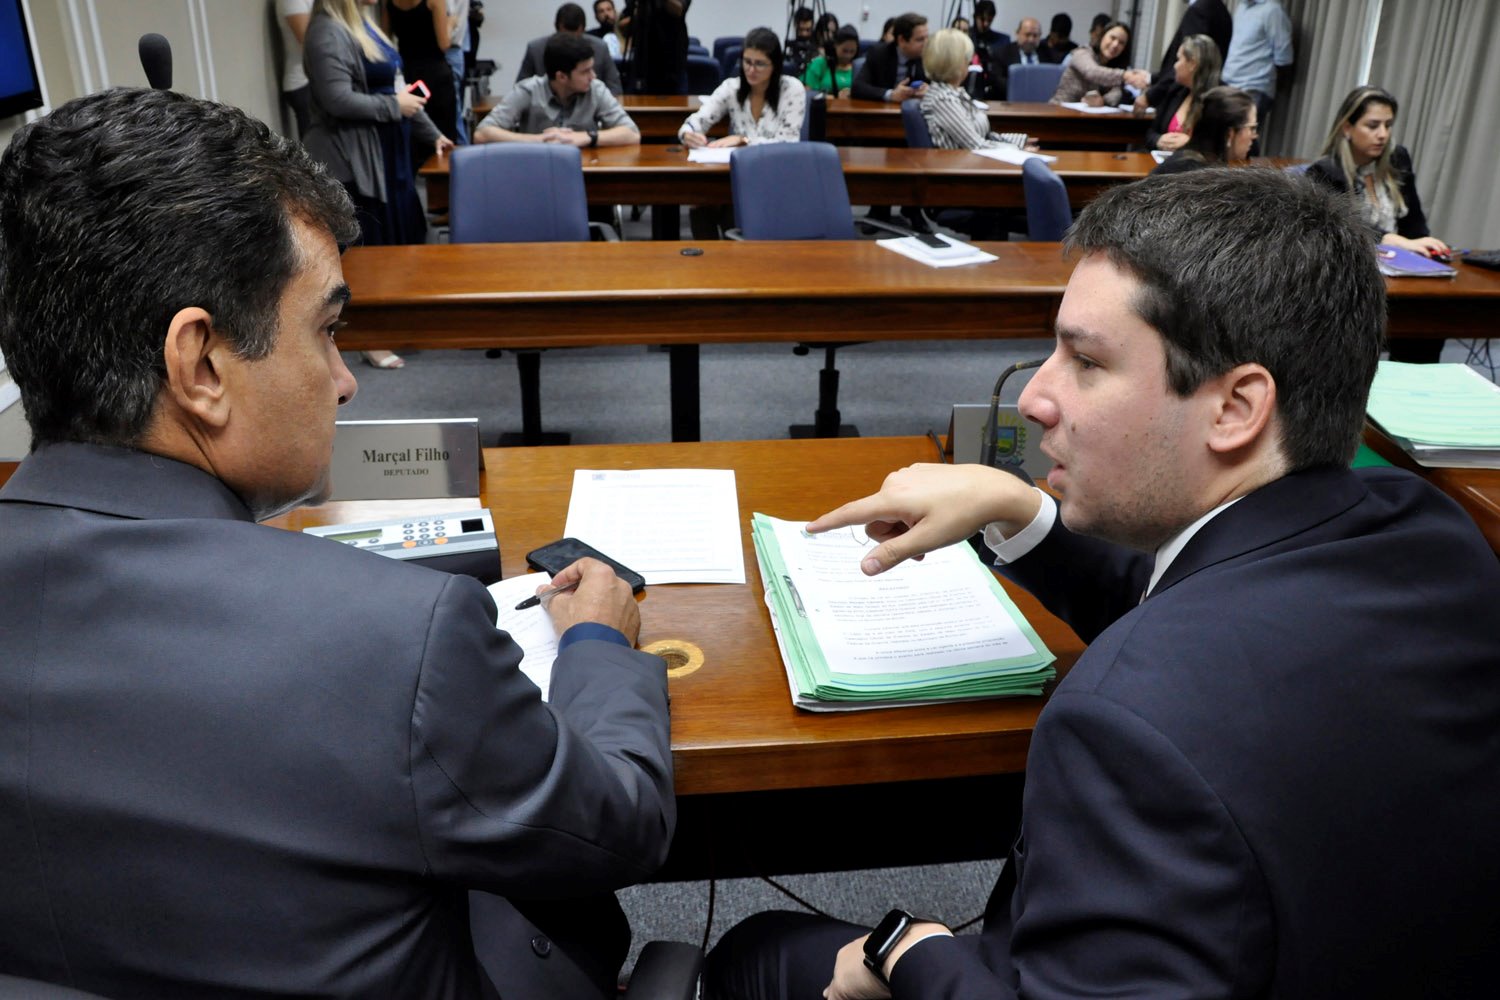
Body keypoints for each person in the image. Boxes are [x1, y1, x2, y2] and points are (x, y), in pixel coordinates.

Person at [703, 166, 1500, 1000]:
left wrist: (909, 950)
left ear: (1236, 408)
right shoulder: (1431, 531)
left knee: (755, 955)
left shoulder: (1126, 729)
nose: (1035, 398)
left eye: (1085, 361)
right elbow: (1209, 617)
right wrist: (1018, 508)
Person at [0, 86, 675, 999]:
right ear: (200, 366)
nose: (347, 380)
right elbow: (620, 825)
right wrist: (597, 641)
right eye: (326, 330)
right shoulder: (397, 640)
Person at [303, 0, 454, 371]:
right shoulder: (326, 31)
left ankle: (394, 320)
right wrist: (392, 107)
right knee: (366, 250)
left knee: (397, 240)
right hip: (354, 160)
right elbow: (337, 100)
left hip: (389, 156)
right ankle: (369, 336)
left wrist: (433, 135)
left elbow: (401, 91)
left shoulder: (366, 26)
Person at [1307, 85, 1451, 364]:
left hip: (1402, 278)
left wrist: (1425, 247)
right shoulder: (1325, 171)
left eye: (1388, 125)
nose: (1383, 134)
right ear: (1347, 128)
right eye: (1373, 126)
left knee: (1431, 320)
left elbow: (1414, 223)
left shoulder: (1398, 158)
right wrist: (1394, 240)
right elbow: (1342, 231)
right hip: (1351, 278)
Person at [477, 32, 639, 147]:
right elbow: (482, 133)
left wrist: (586, 137)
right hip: (536, 168)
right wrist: (539, 141)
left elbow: (632, 134)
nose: (593, 76)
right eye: (585, 72)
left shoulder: (595, 89)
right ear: (561, 76)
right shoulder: (529, 90)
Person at [679, 27, 804, 148]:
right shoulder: (731, 87)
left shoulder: (792, 89)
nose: (751, 70)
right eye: (747, 62)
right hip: (739, 162)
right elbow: (699, 119)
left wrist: (744, 140)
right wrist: (687, 133)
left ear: (775, 65)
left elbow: (788, 143)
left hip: (777, 161)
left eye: (759, 64)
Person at [383, 0, 460, 148]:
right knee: (444, 135)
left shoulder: (390, 3)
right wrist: (450, 23)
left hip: (408, 75)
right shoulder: (435, 1)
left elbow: (385, 39)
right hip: (435, 75)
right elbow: (443, 44)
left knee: (416, 136)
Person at [1220, 0, 1292, 150]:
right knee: (1225, 140)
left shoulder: (1272, 11)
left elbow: (1284, 56)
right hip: (1229, 82)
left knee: (1244, 140)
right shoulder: (1242, 7)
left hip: (1254, 87)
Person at [1139, 0, 1232, 113]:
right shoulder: (1222, 11)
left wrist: (1151, 96)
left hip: (1183, 98)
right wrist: (1151, 78)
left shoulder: (1199, 11)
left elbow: (1187, 62)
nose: (1177, 63)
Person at [518, 2, 623, 97]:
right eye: (565, 36)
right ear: (557, 28)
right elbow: (520, 90)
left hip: (590, 107)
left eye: (574, 37)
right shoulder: (536, 50)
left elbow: (615, 88)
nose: (569, 43)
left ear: (583, 30)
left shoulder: (600, 48)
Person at [1149, 84, 1255, 174]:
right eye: (1252, 128)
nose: (1255, 136)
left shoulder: (1183, 160)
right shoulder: (1208, 179)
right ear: (1229, 134)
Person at [1144, 33, 1221, 151]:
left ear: (1192, 64)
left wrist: (1191, 144)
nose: (1175, 66)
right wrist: (1158, 140)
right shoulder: (1175, 90)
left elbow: (1223, 147)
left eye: (1178, 59)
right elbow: (1150, 134)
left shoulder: (1220, 101)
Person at [1048, 20, 1148, 107]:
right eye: (1112, 38)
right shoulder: (1082, 52)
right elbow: (1092, 72)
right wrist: (1125, 75)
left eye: (1121, 43)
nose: (1115, 45)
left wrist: (1103, 100)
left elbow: (1117, 92)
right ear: (1102, 36)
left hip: (1089, 117)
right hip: (1059, 110)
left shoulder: (1115, 67)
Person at [852, 12, 928, 104]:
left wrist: (929, 91)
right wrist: (891, 94)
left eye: (927, 38)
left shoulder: (927, 56)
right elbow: (857, 88)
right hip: (883, 109)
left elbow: (939, 85)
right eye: (920, 39)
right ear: (902, 40)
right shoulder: (879, 54)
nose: (926, 43)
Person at [620, 0, 692, 94]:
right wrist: (640, 12)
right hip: (642, 63)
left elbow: (678, 10)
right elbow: (623, 28)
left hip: (672, 63)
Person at [276, 0, 314, 137]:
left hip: (315, 79)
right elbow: (310, 45)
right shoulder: (292, 1)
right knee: (315, 145)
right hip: (303, 82)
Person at [990, 16, 1049, 100]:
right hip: (1012, 102)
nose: (1031, 40)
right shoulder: (1003, 53)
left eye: (1035, 35)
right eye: (1027, 35)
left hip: (1041, 102)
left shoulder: (1047, 54)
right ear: (1017, 33)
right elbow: (998, 82)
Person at [803, 24, 859, 99]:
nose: (848, 56)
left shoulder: (858, 67)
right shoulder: (820, 63)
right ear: (835, 45)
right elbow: (807, 93)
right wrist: (835, 97)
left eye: (852, 51)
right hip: (823, 104)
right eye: (845, 51)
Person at [785, 6, 816, 78]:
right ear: (795, 25)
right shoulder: (789, 49)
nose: (804, 34)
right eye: (800, 30)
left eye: (808, 30)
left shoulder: (818, 47)